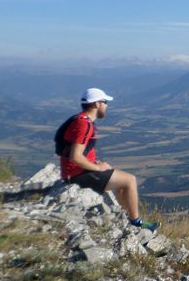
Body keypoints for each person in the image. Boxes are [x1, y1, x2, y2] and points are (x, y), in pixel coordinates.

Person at [57, 87, 158, 231]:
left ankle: (126, 217)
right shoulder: (84, 125)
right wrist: (98, 168)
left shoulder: (80, 120)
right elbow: (75, 156)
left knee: (122, 180)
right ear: (96, 104)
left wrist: (96, 162)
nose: (106, 106)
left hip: (77, 172)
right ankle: (136, 222)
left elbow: (81, 152)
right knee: (130, 180)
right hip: (77, 175)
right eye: (104, 102)